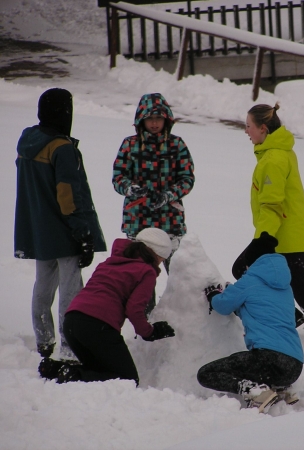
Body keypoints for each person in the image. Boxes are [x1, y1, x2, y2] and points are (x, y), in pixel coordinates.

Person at [231, 103, 304, 357]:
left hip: (280, 237)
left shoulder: (273, 158)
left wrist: (263, 239)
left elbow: (272, 205)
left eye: (248, 126)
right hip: (282, 234)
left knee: (243, 269)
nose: (246, 131)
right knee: (301, 289)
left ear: (262, 129)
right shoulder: (277, 151)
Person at [14, 88, 107, 360]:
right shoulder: (61, 147)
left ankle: (44, 341)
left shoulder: (28, 140)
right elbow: (68, 194)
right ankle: (70, 347)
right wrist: (83, 234)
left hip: (39, 231)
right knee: (71, 292)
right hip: (65, 232)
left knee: (42, 286)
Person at [37, 228, 176, 385]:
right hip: (98, 326)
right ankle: (73, 375)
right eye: (161, 259)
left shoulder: (110, 262)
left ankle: (56, 369)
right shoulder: (146, 271)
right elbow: (134, 310)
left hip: (72, 321)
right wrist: (150, 332)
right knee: (127, 380)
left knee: (101, 369)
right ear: (155, 254)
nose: (160, 263)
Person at [198, 232, 304, 412]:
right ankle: (281, 388)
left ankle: (256, 392)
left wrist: (213, 295)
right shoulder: (285, 287)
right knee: (254, 365)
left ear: (253, 261)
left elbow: (222, 306)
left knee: (206, 374)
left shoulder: (250, 281)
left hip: (269, 360)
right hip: (295, 364)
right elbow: (259, 308)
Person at [112, 92, 195, 313]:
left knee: (178, 273)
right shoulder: (129, 145)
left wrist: (168, 195)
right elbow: (118, 177)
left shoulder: (177, 145)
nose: (155, 123)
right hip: (138, 222)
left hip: (169, 221)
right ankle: (144, 319)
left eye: (159, 118)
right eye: (150, 119)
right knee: (140, 275)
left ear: (167, 119)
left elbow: (187, 179)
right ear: (141, 120)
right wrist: (132, 189)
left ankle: (183, 319)